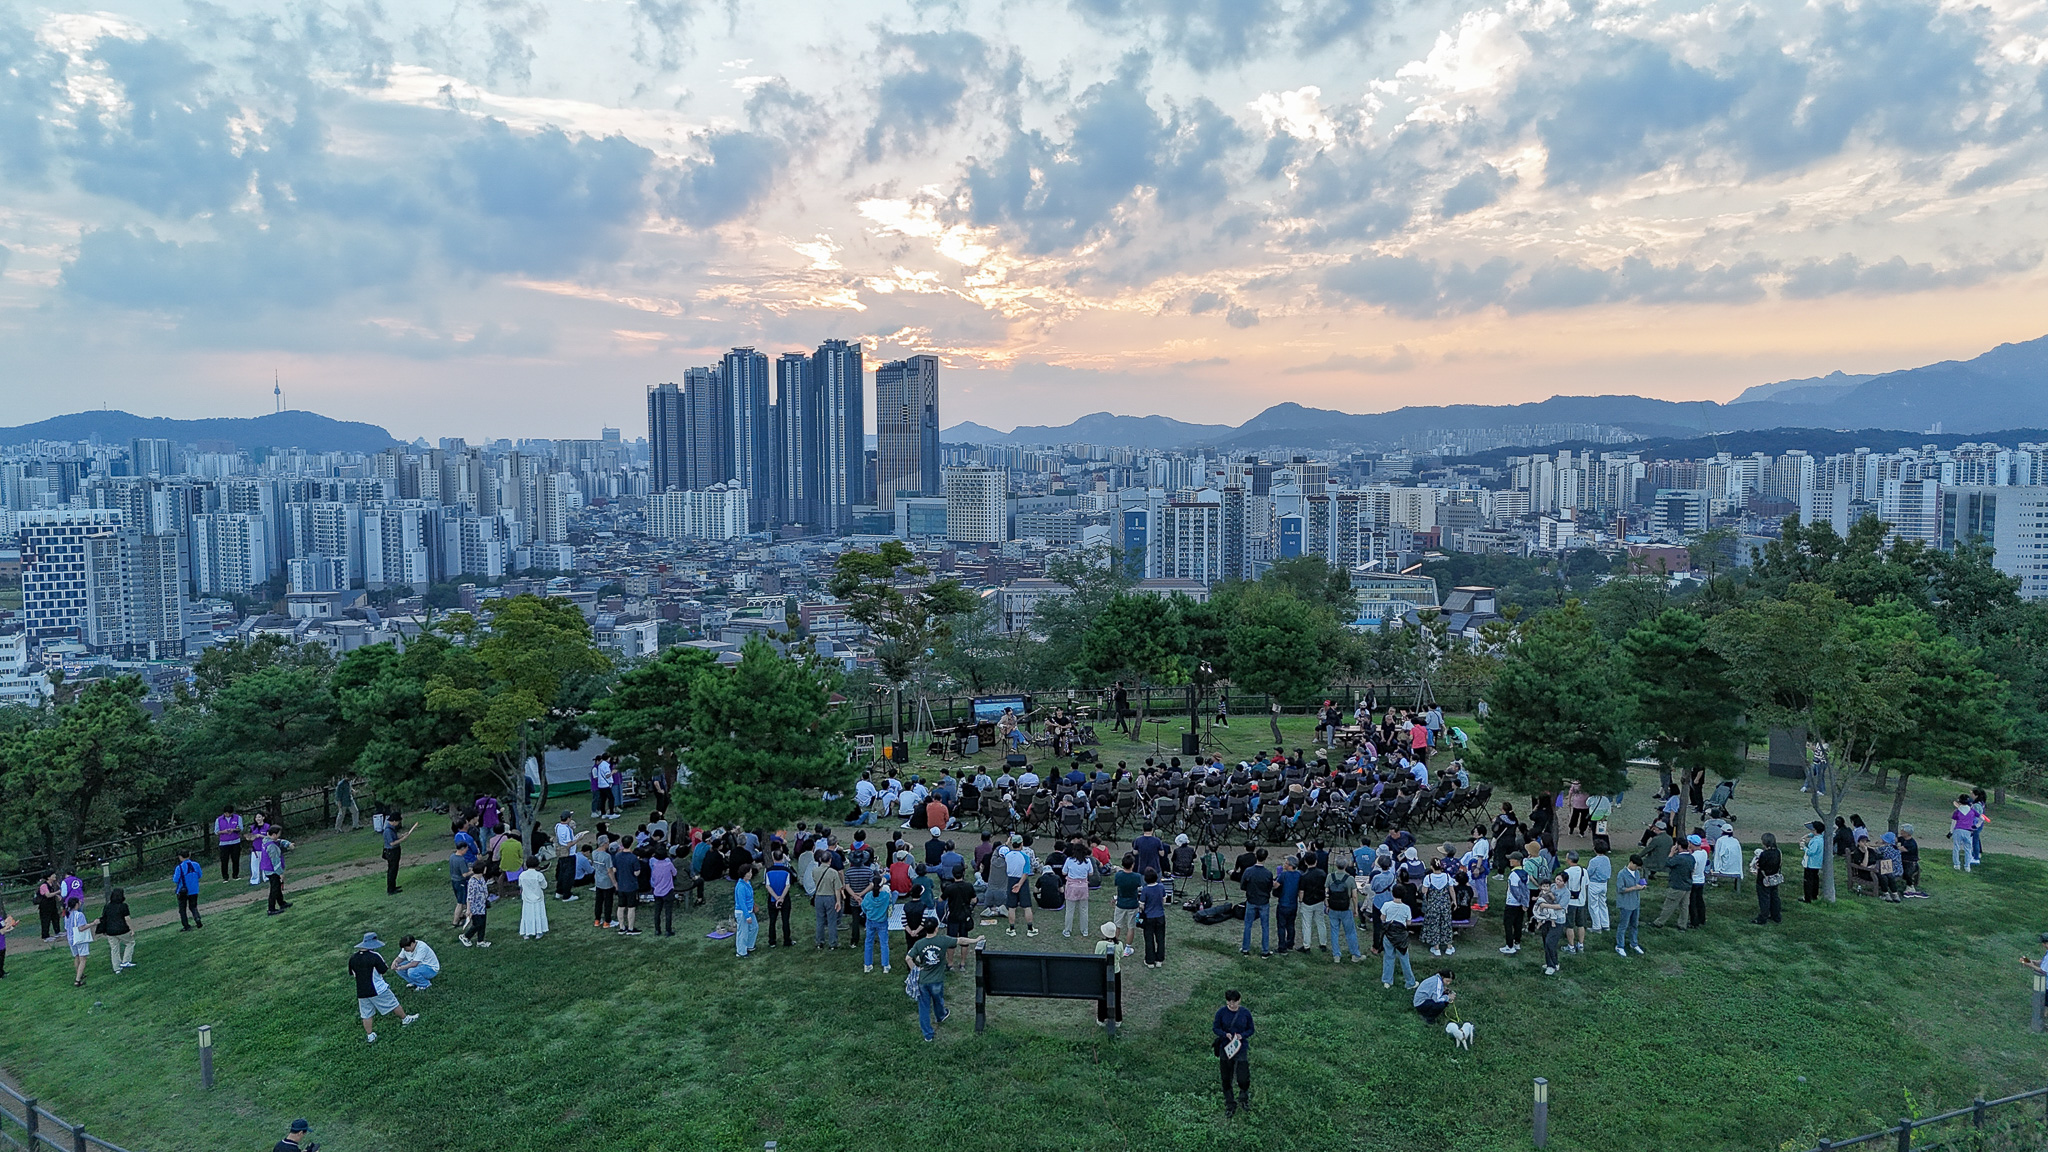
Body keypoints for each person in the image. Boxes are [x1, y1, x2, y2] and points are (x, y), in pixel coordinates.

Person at [909, 918, 983, 1042]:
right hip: (937, 980)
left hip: (923, 981)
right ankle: (941, 1015)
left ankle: (928, 1035)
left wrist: (915, 970)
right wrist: (976, 940)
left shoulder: (919, 944)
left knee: (924, 1008)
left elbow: (908, 958)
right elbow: (961, 940)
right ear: (936, 928)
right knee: (938, 1000)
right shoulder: (942, 940)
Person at [348, 932, 418, 1042]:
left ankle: (370, 1035)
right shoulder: (375, 956)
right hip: (378, 989)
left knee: (366, 1013)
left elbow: (353, 974)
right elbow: (383, 970)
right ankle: (405, 1019)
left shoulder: (353, 958)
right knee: (393, 1003)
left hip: (361, 991)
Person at [1213, 990, 1255, 1116]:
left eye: (1234, 1002)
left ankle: (1243, 1097)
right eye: (1229, 1002)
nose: (1232, 1005)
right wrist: (1224, 1034)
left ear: (1239, 1000)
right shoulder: (1221, 1012)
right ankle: (1230, 1103)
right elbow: (1215, 1027)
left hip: (1240, 1048)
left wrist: (1241, 1036)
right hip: (1226, 1048)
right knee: (1226, 1078)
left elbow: (1251, 1029)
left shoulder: (1245, 1013)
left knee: (1243, 1076)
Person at [1240, 848, 1274, 958]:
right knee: (1265, 927)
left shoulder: (1249, 871)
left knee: (1248, 925)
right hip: (1264, 902)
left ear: (1256, 856)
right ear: (1266, 858)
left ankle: (1245, 949)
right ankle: (1265, 950)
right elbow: (1269, 888)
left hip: (1251, 900)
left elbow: (1243, 885)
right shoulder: (1268, 873)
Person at [1380, 887, 1416, 990]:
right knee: (1404, 959)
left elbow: (1382, 918)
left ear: (1392, 894)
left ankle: (1387, 981)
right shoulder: (1406, 908)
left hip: (1389, 934)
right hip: (1401, 936)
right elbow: (1408, 922)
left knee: (1388, 957)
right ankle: (1410, 982)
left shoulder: (1386, 905)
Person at [1534, 873, 1567, 976]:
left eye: (1560, 881)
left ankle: (1551, 966)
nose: (1557, 882)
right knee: (1546, 941)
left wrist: (1544, 905)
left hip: (1558, 920)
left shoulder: (1566, 893)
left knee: (1550, 942)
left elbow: (1560, 906)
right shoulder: (1551, 886)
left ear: (1565, 882)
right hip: (1546, 918)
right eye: (1557, 879)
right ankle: (1553, 962)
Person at [1614, 854, 1647, 956]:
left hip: (1635, 903)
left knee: (1634, 925)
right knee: (1623, 926)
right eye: (1636, 866)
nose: (1637, 869)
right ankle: (1620, 945)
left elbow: (1639, 884)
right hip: (1625, 904)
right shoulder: (1622, 874)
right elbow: (1620, 889)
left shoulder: (1636, 873)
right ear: (1631, 863)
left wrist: (1642, 886)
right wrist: (1635, 888)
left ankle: (1634, 943)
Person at [96, 888, 134, 974]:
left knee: (114, 949)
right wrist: (131, 929)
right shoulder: (123, 906)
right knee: (130, 943)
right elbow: (127, 918)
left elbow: (104, 919)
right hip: (122, 930)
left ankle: (116, 968)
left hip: (110, 931)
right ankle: (126, 961)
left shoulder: (107, 907)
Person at [860, 878, 894, 973]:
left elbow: (863, 907)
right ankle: (885, 965)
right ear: (881, 886)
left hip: (870, 921)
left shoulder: (868, 896)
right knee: (884, 943)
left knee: (868, 942)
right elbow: (890, 906)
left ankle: (867, 965)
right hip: (882, 922)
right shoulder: (886, 896)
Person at [812, 849, 843, 949]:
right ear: (830, 860)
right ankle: (833, 943)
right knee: (832, 921)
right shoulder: (833, 873)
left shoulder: (814, 871)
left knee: (820, 920)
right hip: (830, 897)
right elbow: (837, 889)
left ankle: (819, 942)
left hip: (818, 897)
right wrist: (838, 901)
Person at [1139, 868, 1169, 968]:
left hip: (1149, 917)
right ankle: (1159, 959)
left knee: (1149, 939)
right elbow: (1164, 899)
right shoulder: (1161, 887)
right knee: (1160, 939)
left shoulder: (1145, 889)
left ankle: (1150, 961)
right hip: (1160, 916)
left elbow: (1142, 905)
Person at [1752, 833, 1784, 924]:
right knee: (1774, 897)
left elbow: (1760, 865)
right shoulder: (1778, 852)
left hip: (1764, 879)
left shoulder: (1764, 854)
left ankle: (1763, 917)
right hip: (1774, 877)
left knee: (1764, 898)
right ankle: (1776, 915)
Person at [1062, 849, 1095, 939]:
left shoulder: (1069, 860)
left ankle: (1067, 930)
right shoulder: (1087, 861)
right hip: (1083, 886)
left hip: (1072, 887)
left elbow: (1064, 872)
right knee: (1084, 910)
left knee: (1069, 910)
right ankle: (1085, 930)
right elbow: (1091, 873)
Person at [381, 815, 417, 896]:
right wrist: (403, 839)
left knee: (394, 869)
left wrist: (402, 835)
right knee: (392, 870)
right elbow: (392, 843)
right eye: (397, 822)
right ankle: (391, 889)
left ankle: (393, 887)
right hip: (391, 852)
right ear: (394, 821)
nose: (398, 823)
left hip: (394, 851)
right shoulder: (388, 830)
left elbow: (394, 838)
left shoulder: (391, 829)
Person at [518, 855, 550, 939]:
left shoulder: (522, 875)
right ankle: (539, 932)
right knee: (538, 914)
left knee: (527, 915)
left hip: (526, 899)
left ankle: (526, 933)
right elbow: (544, 886)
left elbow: (520, 885)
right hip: (538, 898)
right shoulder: (539, 875)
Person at [460, 862, 491, 947]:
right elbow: (470, 896)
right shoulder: (472, 882)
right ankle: (466, 936)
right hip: (475, 907)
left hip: (482, 905)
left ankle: (480, 941)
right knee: (478, 924)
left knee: (482, 924)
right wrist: (468, 909)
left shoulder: (481, 878)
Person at [172, 850, 205, 931]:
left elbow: (175, 880)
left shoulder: (179, 867)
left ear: (180, 857)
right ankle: (197, 918)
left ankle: (186, 925)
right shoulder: (196, 865)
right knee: (193, 906)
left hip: (183, 891)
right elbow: (200, 875)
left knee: (182, 909)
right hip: (194, 889)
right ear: (189, 855)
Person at [263, 829, 294, 915]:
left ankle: (281, 903)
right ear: (273, 835)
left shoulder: (267, 840)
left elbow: (280, 841)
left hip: (268, 869)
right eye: (278, 835)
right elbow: (275, 861)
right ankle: (271, 909)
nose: (279, 837)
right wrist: (280, 873)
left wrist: (288, 844)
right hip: (272, 871)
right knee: (274, 889)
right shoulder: (272, 847)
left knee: (277, 887)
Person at [732, 862, 759, 957]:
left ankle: (749, 945)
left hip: (749, 910)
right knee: (743, 932)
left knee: (754, 927)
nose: (751, 874)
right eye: (749, 873)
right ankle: (741, 951)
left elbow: (750, 897)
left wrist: (753, 905)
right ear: (744, 874)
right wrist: (747, 916)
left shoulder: (748, 883)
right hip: (742, 912)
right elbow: (742, 902)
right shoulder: (740, 886)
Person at [553, 812, 581, 900]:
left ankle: (559, 891)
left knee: (561, 873)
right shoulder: (567, 829)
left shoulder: (557, 826)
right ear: (568, 818)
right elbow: (569, 844)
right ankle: (567, 895)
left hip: (562, 853)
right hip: (569, 854)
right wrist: (578, 839)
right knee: (568, 875)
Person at [64, 898, 91, 986]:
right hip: (79, 939)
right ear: (76, 904)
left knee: (76, 957)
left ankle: (79, 974)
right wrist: (93, 924)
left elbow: (66, 928)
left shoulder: (67, 915)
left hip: (71, 939)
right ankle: (78, 980)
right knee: (83, 959)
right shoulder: (79, 915)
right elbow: (81, 928)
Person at [214, 805, 244, 882]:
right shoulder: (219, 820)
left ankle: (235, 875)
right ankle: (225, 877)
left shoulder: (238, 818)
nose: (228, 815)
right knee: (224, 860)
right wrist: (224, 832)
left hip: (235, 841)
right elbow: (216, 831)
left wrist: (234, 830)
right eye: (226, 813)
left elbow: (241, 828)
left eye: (229, 813)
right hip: (224, 843)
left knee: (235, 859)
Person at [1802, 821, 1827, 903]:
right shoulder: (1821, 837)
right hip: (1817, 864)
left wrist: (1804, 847)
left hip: (1811, 864)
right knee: (1815, 880)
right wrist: (1808, 835)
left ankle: (1807, 898)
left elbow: (1810, 852)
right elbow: (1814, 834)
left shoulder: (1816, 841)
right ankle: (1814, 895)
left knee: (1808, 881)